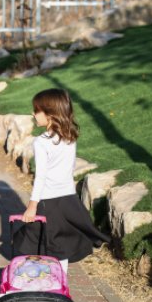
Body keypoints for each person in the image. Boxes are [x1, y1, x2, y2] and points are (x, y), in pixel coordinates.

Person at [14, 89, 111, 274]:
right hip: (68, 200)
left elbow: (40, 176)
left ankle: (40, 282)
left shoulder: (41, 142)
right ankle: (60, 284)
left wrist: (32, 205)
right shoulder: (69, 137)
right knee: (62, 244)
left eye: (36, 110)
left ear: (50, 114)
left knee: (33, 243)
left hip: (48, 202)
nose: (33, 114)